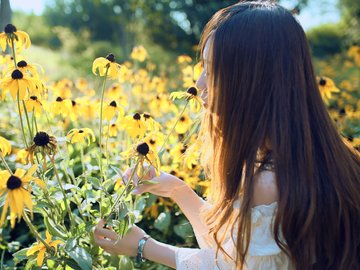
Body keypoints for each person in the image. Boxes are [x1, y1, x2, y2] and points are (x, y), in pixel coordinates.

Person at [94, 1, 360, 269]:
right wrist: (178, 190)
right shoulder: (313, 153)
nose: (198, 85)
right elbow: (236, 246)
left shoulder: (269, 182)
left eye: (213, 70)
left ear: (253, 80)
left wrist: (143, 246)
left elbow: (232, 265)